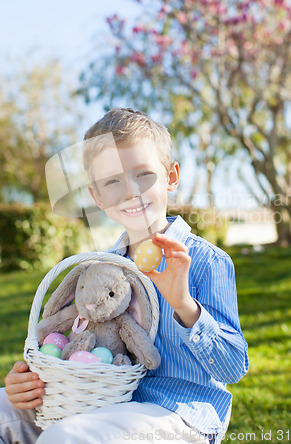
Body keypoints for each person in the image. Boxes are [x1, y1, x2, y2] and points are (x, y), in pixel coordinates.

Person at [1, 108, 249, 444]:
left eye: (143, 174)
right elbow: (77, 340)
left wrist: (185, 306)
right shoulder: (104, 268)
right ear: (97, 196)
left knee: (65, 437)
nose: (130, 191)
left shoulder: (205, 261)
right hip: (104, 402)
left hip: (181, 415)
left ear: (171, 177)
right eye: (112, 181)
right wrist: (32, 377)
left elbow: (233, 368)